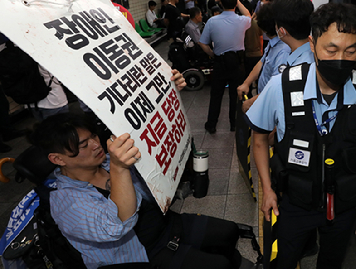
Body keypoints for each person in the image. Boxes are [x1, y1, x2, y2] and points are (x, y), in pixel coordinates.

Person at [30, 73, 242, 269]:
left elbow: (156, 144)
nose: (96, 145)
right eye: (83, 145)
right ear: (57, 159)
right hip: (143, 255)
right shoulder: (65, 202)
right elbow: (117, 226)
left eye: (93, 137)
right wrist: (119, 168)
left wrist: (167, 93)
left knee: (229, 232)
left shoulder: (106, 163)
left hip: (167, 224)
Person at [246, 3, 356, 269]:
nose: (341, 58)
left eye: (351, 51)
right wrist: (268, 190)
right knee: (284, 260)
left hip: (343, 209)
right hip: (293, 203)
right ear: (312, 44)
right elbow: (259, 139)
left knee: (332, 263)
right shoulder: (281, 86)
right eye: (332, 49)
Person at [199, 0, 252, 134]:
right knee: (236, 94)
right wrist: (238, 2)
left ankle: (211, 124)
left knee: (216, 94)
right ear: (235, 3)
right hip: (237, 62)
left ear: (220, 3)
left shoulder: (212, 21)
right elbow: (248, 14)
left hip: (219, 61)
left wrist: (212, 54)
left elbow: (203, 43)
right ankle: (234, 124)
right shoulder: (242, 21)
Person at [237, 3, 291, 112]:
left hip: (272, 105)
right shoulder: (273, 44)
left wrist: (252, 102)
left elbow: (277, 87)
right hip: (263, 100)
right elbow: (261, 62)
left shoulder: (283, 51)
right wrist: (246, 83)